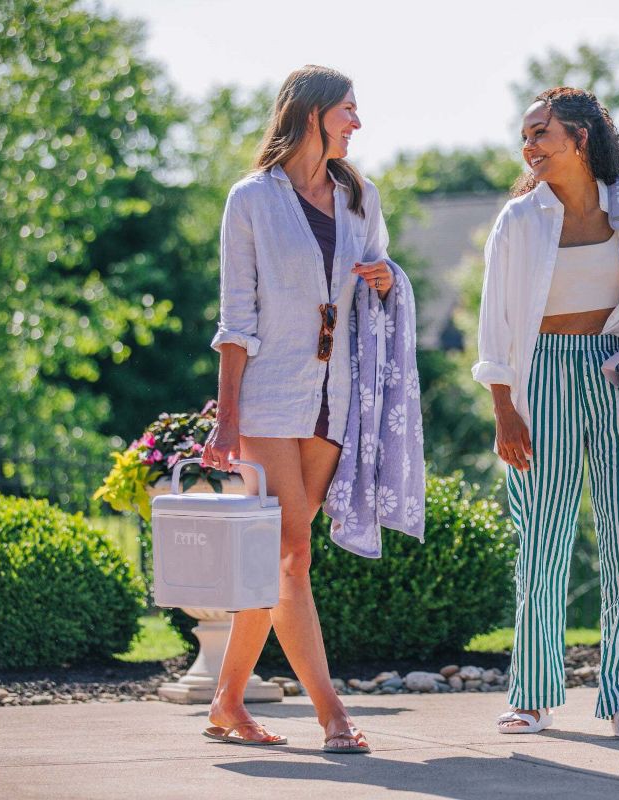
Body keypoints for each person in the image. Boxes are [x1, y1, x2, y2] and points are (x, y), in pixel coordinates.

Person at [472, 87, 619, 738]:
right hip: (542, 375)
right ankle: (531, 695)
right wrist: (504, 410)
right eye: (526, 136)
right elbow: (496, 324)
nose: (529, 146)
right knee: (542, 541)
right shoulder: (519, 219)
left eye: (541, 133)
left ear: (580, 138)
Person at [201, 64, 394, 753]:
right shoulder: (250, 199)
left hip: (335, 398)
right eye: (348, 109)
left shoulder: (360, 197)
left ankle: (227, 702)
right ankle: (331, 713)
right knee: (292, 551)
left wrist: (382, 276)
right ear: (312, 112)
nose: (357, 122)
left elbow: (382, 275)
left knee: (283, 559)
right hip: (268, 395)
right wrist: (226, 417)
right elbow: (235, 318)